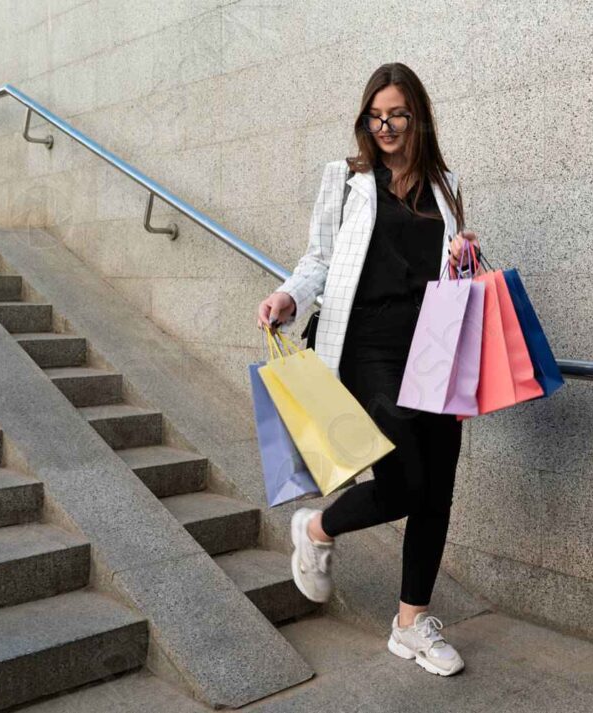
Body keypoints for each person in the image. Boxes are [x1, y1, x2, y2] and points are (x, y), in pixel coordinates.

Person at [256, 62, 478, 677]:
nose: (385, 126)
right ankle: (318, 527)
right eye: (375, 116)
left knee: (437, 490)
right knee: (404, 481)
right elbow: (319, 258)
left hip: (434, 347)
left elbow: (451, 274)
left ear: (418, 118)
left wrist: (464, 253)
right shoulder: (347, 179)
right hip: (368, 345)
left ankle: (411, 625)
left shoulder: (445, 185)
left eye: (397, 115)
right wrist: (288, 297)